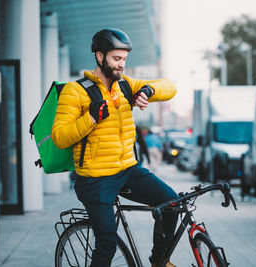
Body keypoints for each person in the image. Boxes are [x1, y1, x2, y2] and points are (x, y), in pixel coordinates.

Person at [52, 28, 178, 267]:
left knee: (172, 203)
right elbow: (60, 137)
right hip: (95, 178)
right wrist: (90, 118)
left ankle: (159, 261)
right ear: (100, 56)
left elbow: (169, 86)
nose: (122, 65)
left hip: (128, 170)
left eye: (124, 60)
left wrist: (149, 90)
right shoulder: (75, 91)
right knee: (107, 243)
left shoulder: (126, 86)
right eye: (116, 59)